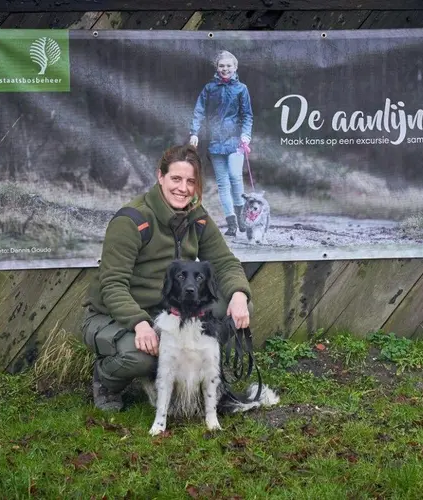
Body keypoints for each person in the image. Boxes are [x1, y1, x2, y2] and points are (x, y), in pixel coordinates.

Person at [80, 144, 253, 411]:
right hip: (116, 315)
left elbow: (225, 262)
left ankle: (206, 370)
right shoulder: (131, 220)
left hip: (170, 312)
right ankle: (106, 379)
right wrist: (139, 323)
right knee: (144, 356)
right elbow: (112, 284)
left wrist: (239, 294)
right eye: (176, 179)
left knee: (238, 306)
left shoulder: (197, 217)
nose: (183, 188)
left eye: (190, 181)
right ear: (160, 177)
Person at [189, 49, 254, 237]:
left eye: (228, 66)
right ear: (217, 68)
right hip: (215, 142)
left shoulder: (242, 89)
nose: (225, 69)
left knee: (235, 176)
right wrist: (195, 133)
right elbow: (199, 111)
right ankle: (232, 223)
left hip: (235, 141)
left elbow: (247, 115)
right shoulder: (209, 88)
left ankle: (243, 218)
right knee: (223, 183)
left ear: (235, 67)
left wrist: (245, 136)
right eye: (221, 66)